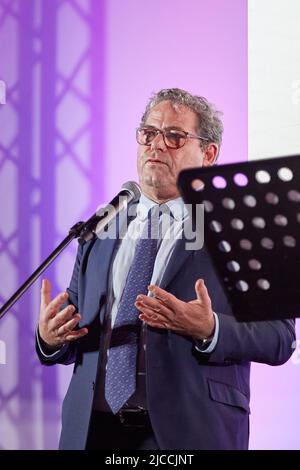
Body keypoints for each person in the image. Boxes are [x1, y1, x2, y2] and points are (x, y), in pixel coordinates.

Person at [36, 88, 295, 450]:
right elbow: (75, 333)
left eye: (174, 136)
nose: (156, 145)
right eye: (149, 133)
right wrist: (50, 338)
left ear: (208, 154)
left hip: (190, 430)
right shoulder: (100, 228)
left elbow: (280, 337)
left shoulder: (240, 229)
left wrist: (211, 328)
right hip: (93, 432)